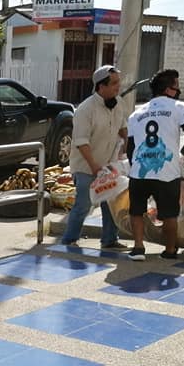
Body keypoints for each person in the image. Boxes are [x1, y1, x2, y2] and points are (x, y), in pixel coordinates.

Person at [126, 69, 184, 261]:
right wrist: (183, 153)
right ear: (168, 89)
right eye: (176, 87)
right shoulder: (180, 107)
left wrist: (134, 166)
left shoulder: (136, 113)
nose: (178, 91)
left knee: (136, 211)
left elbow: (130, 146)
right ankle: (169, 250)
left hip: (140, 171)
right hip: (167, 171)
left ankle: (138, 248)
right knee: (169, 214)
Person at [60, 64, 128, 249]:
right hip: (86, 167)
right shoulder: (85, 109)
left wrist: (126, 150)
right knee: (84, 205)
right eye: (114, 83)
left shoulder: (118, 103)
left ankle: (109, 240)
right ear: (101, 86)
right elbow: (81, 141)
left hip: (109, 165)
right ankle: (69, 240)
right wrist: (94, 166)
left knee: (111, 203)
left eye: (118, 82)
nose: (118, 87)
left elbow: (123, 128)